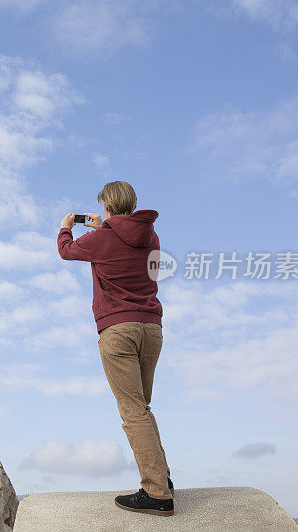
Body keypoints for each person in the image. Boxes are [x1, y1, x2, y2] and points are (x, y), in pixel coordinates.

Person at [57, 180, 174, 517]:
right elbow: (133, 249)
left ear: (106, 206)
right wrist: (107, 225)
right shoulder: (151, 237)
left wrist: (67, 226)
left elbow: (67, 250)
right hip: (152, 328)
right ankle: (161, 480)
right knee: (143, 407)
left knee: (132, 410)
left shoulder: (101, 238)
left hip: (118, 329)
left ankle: (157, 494)